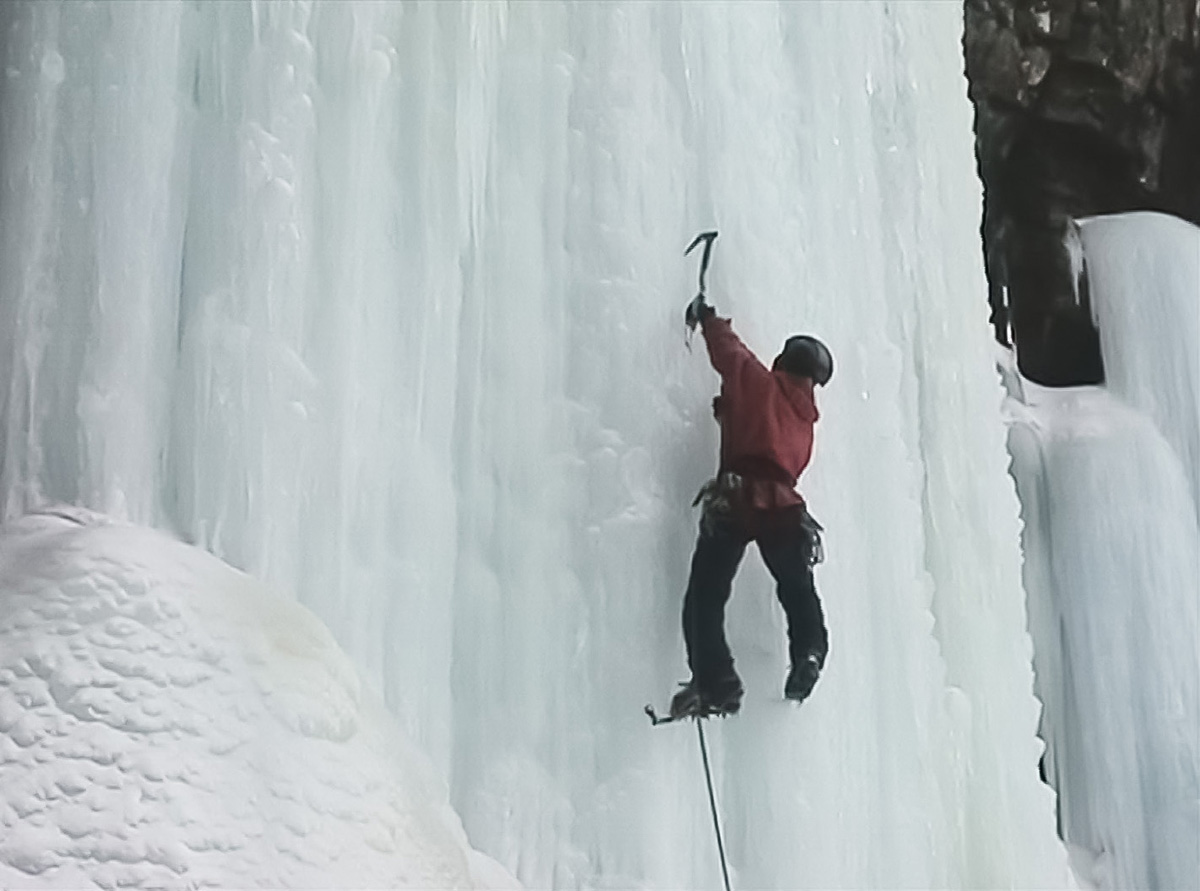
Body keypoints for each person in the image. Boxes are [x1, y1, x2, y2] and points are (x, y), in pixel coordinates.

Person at [670, 295, 832, 719]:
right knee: (798, 591)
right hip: (785, 510)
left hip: (740, 499)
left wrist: (706, 316)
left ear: (782, 363)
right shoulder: (804, 422)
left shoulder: (761, 384)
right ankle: (809, 654)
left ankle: (717, 683)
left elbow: (730, 353)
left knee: (705, 597)